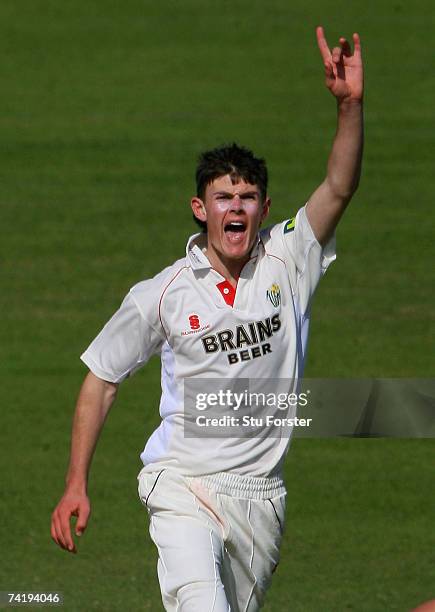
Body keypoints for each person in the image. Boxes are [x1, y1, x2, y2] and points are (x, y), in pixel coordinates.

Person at [51, 25, 364, 611]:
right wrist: (76, 480)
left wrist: (350, 108)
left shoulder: (289, 258)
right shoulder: (163, 293)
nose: (236, 207)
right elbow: (102, 377)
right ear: (201, 209)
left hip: (262, 498)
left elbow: (339, 187)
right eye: (224, 198)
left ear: (264, 208)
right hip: (181, 487)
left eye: (247, 197)